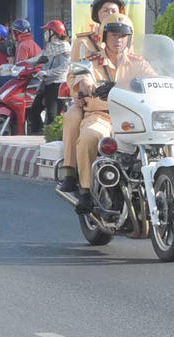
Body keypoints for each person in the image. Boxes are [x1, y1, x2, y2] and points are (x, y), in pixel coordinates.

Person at [66, 17, 155, 213]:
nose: (119, 40)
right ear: (104, 36)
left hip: (134, 118)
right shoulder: (90, 61)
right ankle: (87, 191)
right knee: (89, 137)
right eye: (114, 35)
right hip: (102, 115)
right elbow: (82, 78)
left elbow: (154, 82)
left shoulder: (139, 63)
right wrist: (88, 85)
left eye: (123, 35)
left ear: (129, 39)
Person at [57, 0, 125, 192]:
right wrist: (80, 92)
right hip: (92, 104)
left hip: (125, 108)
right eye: (105, 10)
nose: (110, 14)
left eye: (114, 10)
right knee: (73, 116)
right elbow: (77, 71)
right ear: (97, 14)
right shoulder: (84, 42)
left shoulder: (128, 44)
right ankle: (70, 171)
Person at [30, 20, 71, 133]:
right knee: (34, 109)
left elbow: (64, 69)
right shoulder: (51, 47)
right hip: (47, 82)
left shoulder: (64, 48)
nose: (45, 34)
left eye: (47, 31)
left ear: (54, 33)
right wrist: (23, 64)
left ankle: (51, 138)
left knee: (53, 114)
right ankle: (35, 133)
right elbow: (40, 58)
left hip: (58, 84)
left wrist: (47, 73)